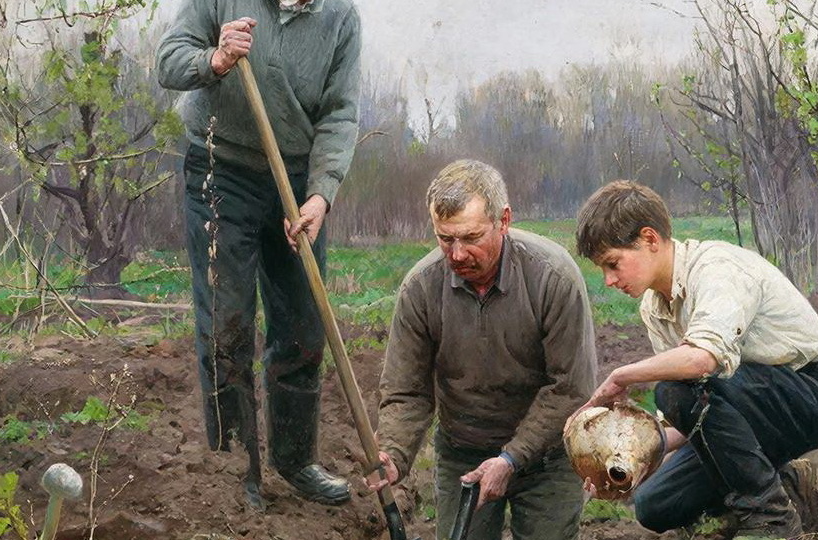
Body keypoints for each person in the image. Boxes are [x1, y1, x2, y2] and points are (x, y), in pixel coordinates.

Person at [156, 0, 360, 509]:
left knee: (303, 324)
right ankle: (233, 469)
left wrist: (320, 194)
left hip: (296, 180)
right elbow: (169, 62)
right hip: (219, 168)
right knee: (227, 325)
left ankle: (295, 461)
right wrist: (216, 60)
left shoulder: (341, 16)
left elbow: (340, 112)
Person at [572, 181, 818, 539]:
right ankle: (780, 480)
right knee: (655, 505)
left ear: (650, 239)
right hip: (751, 413)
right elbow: (691, 420)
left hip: (811, 396)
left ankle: (772, 518)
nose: (609, 280)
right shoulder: (654, 308)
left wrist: (622, 376)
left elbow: (702, 362)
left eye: (613, 264)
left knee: (676, 389)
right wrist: (629, 460)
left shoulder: (717, 269)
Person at [367, 160, 598, 540]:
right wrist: (394, 452)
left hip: (548, 456)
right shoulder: (421, 289)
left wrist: (512, 457)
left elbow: (570, 388)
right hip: (464, 451)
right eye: (445, 239)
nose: (456, 255)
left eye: (471, 238)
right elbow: (406, 390)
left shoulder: (553, 278)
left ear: (503, 220)